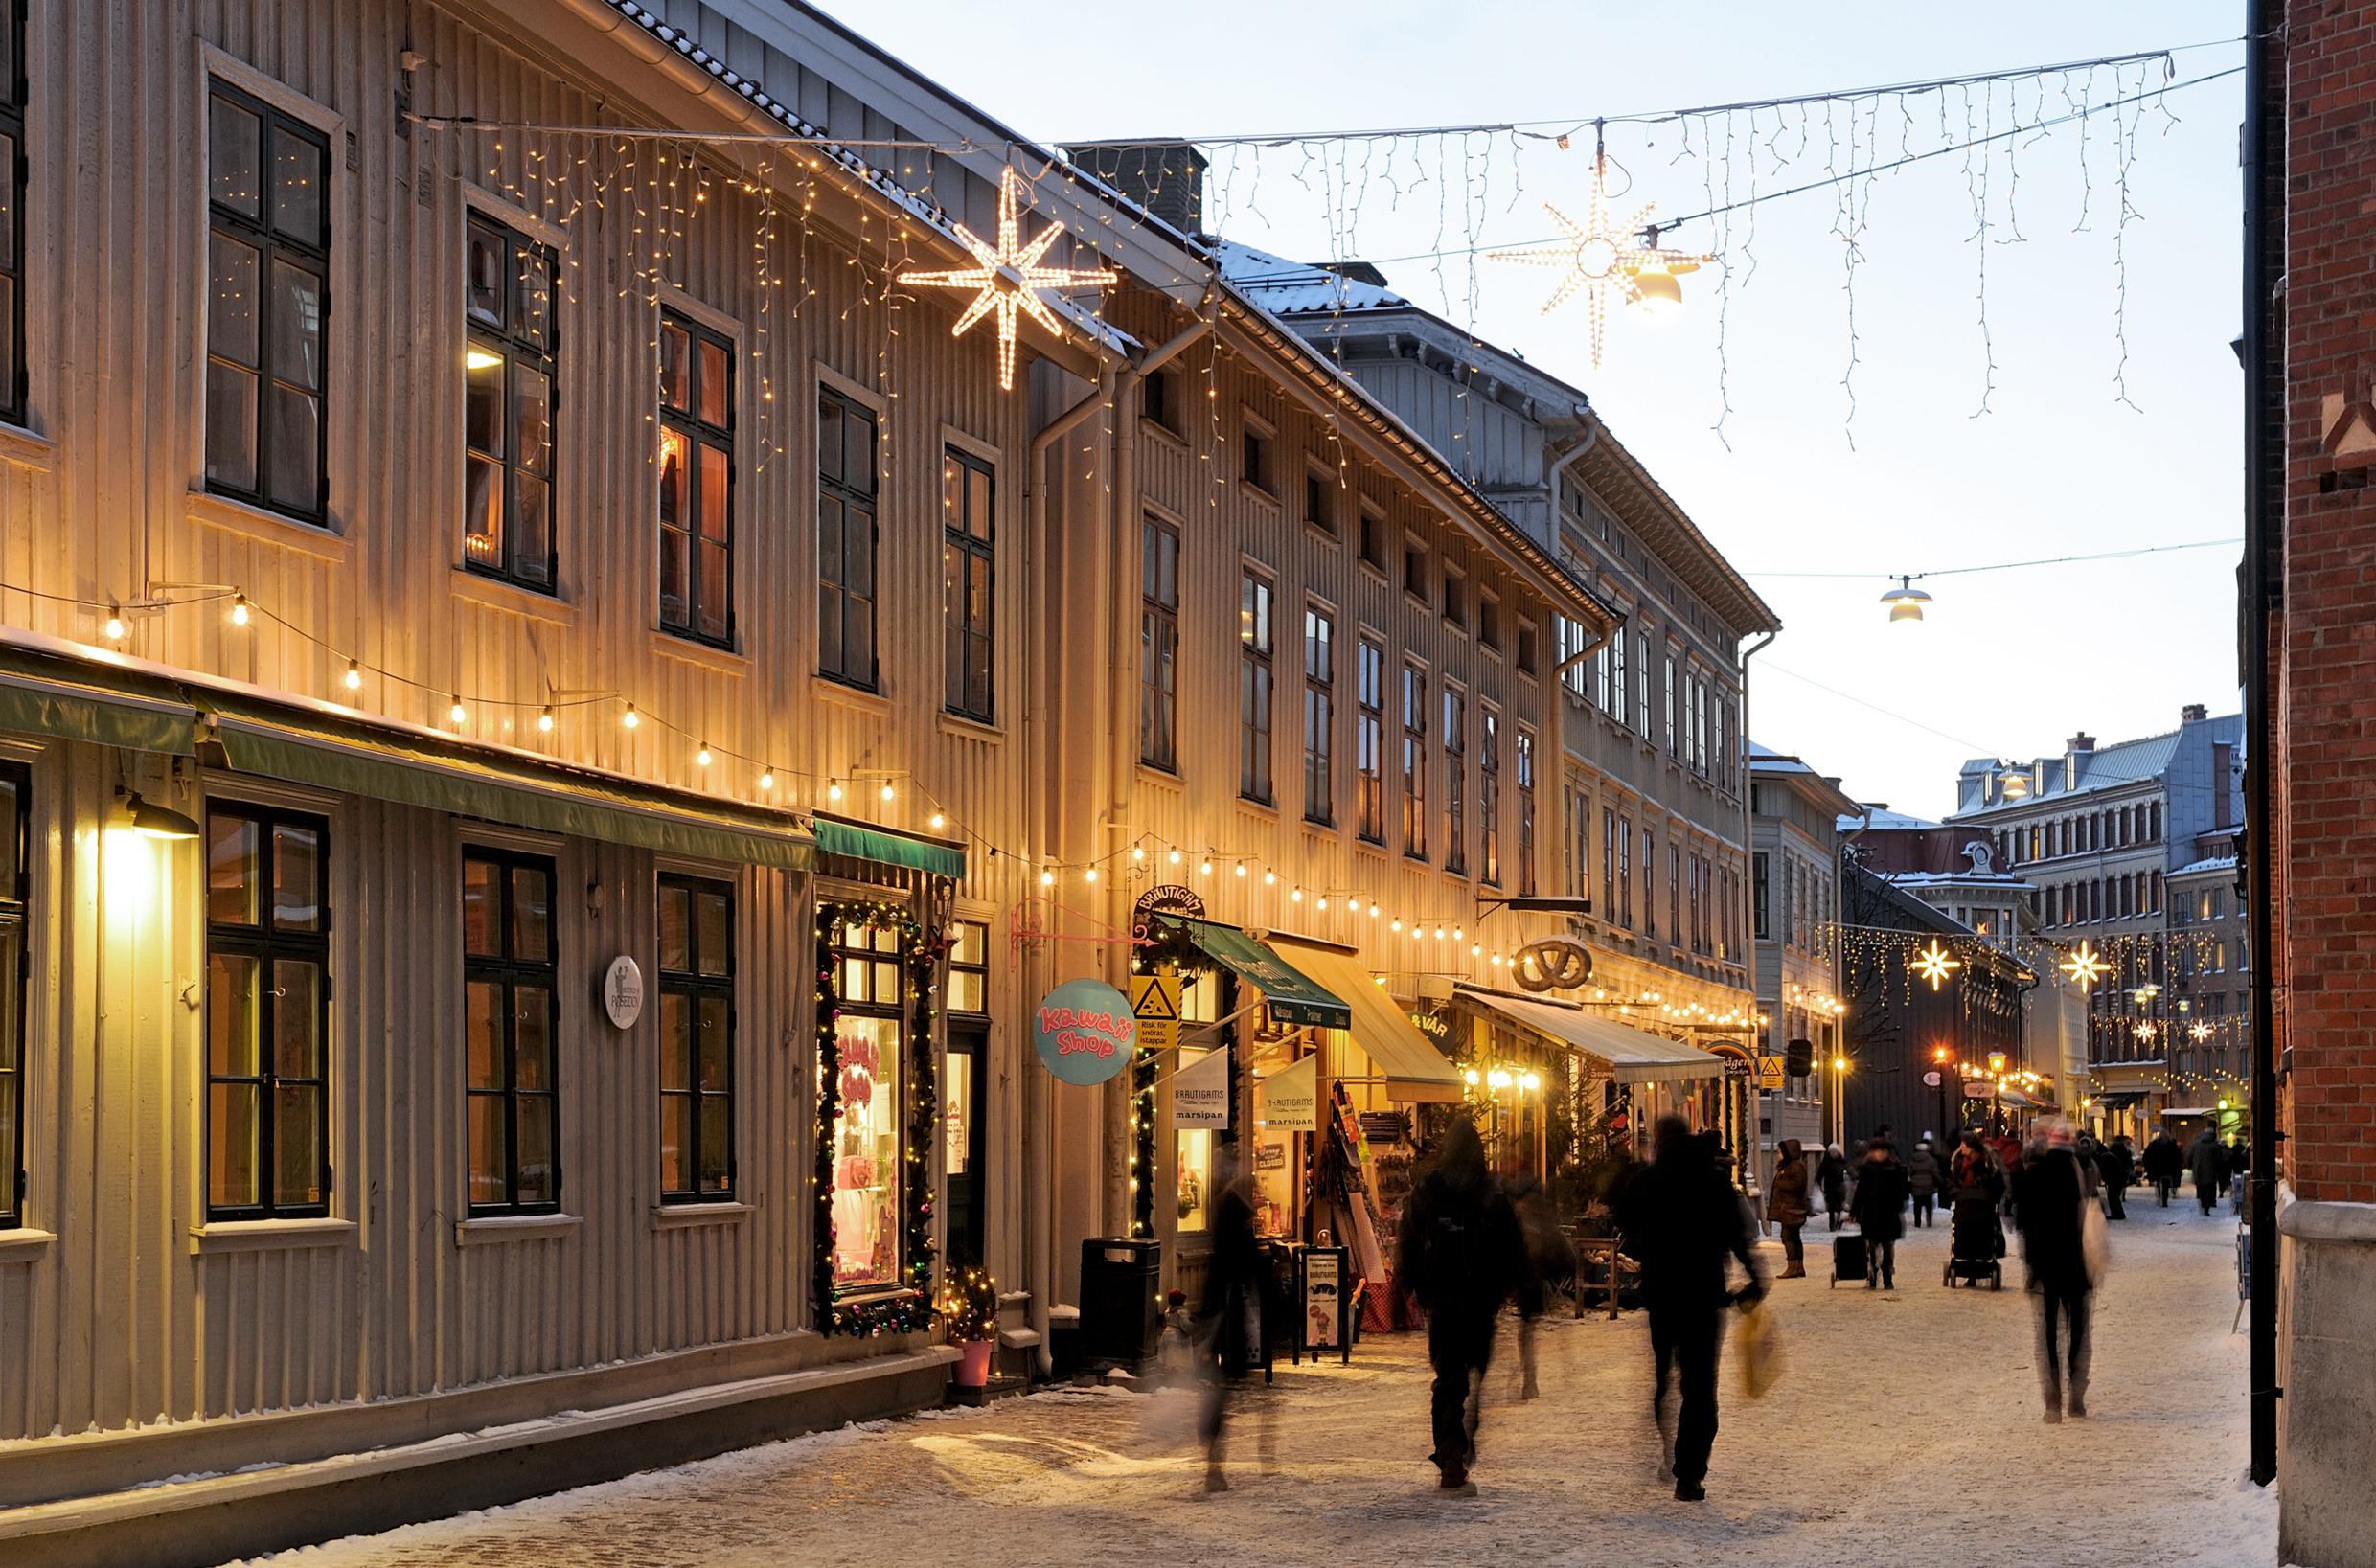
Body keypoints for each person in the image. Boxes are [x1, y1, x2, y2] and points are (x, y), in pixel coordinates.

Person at [1615, 1119, 1766, 1503]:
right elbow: (1737, 1235)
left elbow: (1626, 1229)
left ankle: (1666, 1429)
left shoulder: (1647, 1180)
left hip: (1662, 1295)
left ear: (1660, 1142)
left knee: (1665, 1371)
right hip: (1703, 1296)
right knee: (1699, 1388)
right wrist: (1754, 1278)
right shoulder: (1712, 1180)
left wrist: (1648, 1249)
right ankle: (1689, 1473)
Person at [1396, 1119, 1532, 1494]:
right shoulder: (1491, 1193)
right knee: (1471, 1372)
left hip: (1442, 1299)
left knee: (1448, 1376)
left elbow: (1409, 1238)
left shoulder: (1428, 1189)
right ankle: (1459, 1439)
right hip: (1480, 1299)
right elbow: (1512, 1246)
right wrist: (1519, 1286)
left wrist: (1409, 1284)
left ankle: (1450, 1449)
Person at [2016, 1119, 2099, 1421]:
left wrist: (2032, 1266)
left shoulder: (2034, 1174)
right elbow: (2091, 1216)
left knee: (2049, 1332)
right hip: (2077, 1265)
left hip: (2046, 1267)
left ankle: (2052, 1401)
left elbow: (2024, 1224)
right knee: (2078, 1330)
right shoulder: (2081, 1171)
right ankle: (2076, 1394)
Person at [1197, 1150, 1267, 1493]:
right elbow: (1247, 1267)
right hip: (1231, 1316)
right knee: (1222, 1393)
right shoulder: (1235, 1215)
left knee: (1221, 1392)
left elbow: (1219, 1271)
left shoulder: (1226, 1212)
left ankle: (1215, 1461)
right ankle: (1215, 1463)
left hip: (1224, 1315)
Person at [1849, 1137, 1910, 1289]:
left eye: (1883, 1151)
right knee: (1871, 1245)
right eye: (1877, 1151)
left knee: (1888, 1246)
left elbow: (1902, 1191)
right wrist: (1855, 1211)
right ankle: (1873, 1274)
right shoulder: (1867, 1169)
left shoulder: (1895, 1169)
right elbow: (1860, 1192)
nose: (1880, 1154)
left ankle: (1888, 1276)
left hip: (1889, 1214)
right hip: (1871, 1214)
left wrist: (1899, 1204)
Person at [1766, 1138, 1813, 1279]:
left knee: (1787, 1237)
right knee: (1793, 1237)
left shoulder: (1795, 1167)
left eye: (1780, 1152)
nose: (1778, 1155)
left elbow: (1797, 1185)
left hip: (1790, 1209)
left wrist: (1781, 1182)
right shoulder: (1790, 1166)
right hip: (1788, 1208)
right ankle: (1798, 1266)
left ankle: (1793, 1267)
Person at [2189, 1127, 2228, 1216]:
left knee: (2202, 1189)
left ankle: (2203, 1203)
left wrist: (2192, 1166)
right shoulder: (2215, 1145)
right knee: (2210, 1189)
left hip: (2199, 1171)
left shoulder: (2197, 1144)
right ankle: (2209, 1205)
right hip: (2211, 1171)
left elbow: (2190, 1156)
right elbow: (2219, 1159)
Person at [1907, 1137, 1943, 1229]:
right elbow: (1934, 1172)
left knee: (1917, 1205)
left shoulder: (1913, 1159)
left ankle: (1917, 1221)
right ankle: (1929, 1219)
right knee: (1928, 1204)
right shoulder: (1930, 1160)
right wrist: (1940, 1181)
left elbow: (1909, 1173)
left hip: (1916, 1185)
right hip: (1928, 1185)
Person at [2098, 1135, 2135, 1221]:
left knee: (2113, 1196)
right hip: (2119, 1177)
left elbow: (2106, 1170)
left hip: (2115, 1179)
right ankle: (2118, 1213)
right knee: (2114, 1197)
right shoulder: (2113, 1154)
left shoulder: (2106, 1156)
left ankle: (2117, 1214)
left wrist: (2105, 1179)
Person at [2143, 1129, 2182, 1207]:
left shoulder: (2154, 1144)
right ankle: (2165, 1200)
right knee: (2166, 1185)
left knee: (2158, 1183)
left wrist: (2148, 1166)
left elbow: (2147, 1155)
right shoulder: (2172, 1144)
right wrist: (2177, 1167)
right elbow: (2178, 1156)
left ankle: (2159, 1196)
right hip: (2168, 1168)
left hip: (2157, 1168)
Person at [1816, 1143, 1849, 1232]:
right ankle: (1832, 1224)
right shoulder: (1826, 1161)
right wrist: (1818, 1181)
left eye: (1835, 1151)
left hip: (1839, 1186)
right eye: (1832, 1152)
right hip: (1830, 1187)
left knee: (1839, 1206)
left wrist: (1854, 1175)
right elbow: (1820, 1173)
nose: (1833, 1153)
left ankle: (1838, 1221)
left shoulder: (1841, 1160)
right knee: (1831, 1207)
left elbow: (1848, 1169)